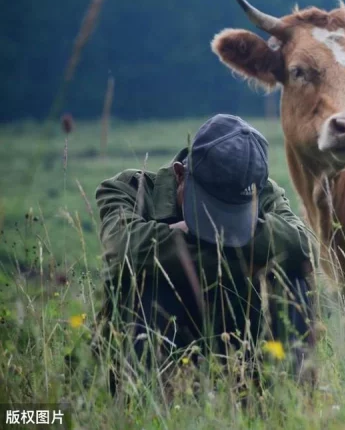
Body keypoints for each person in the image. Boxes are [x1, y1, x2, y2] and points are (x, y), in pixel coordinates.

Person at [94, 114, 316, 395]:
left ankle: (289, 398)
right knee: (150, 281)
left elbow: (303, 246)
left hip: (241, 347)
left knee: (293, 279)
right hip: (153, 350)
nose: (217, 229)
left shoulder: (263, 190)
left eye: (231, 217)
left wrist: (186, 238)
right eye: (209, 211)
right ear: (179, 173)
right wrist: (240, 250)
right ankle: (144, 401)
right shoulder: (128, 190)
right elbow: (125, 248)